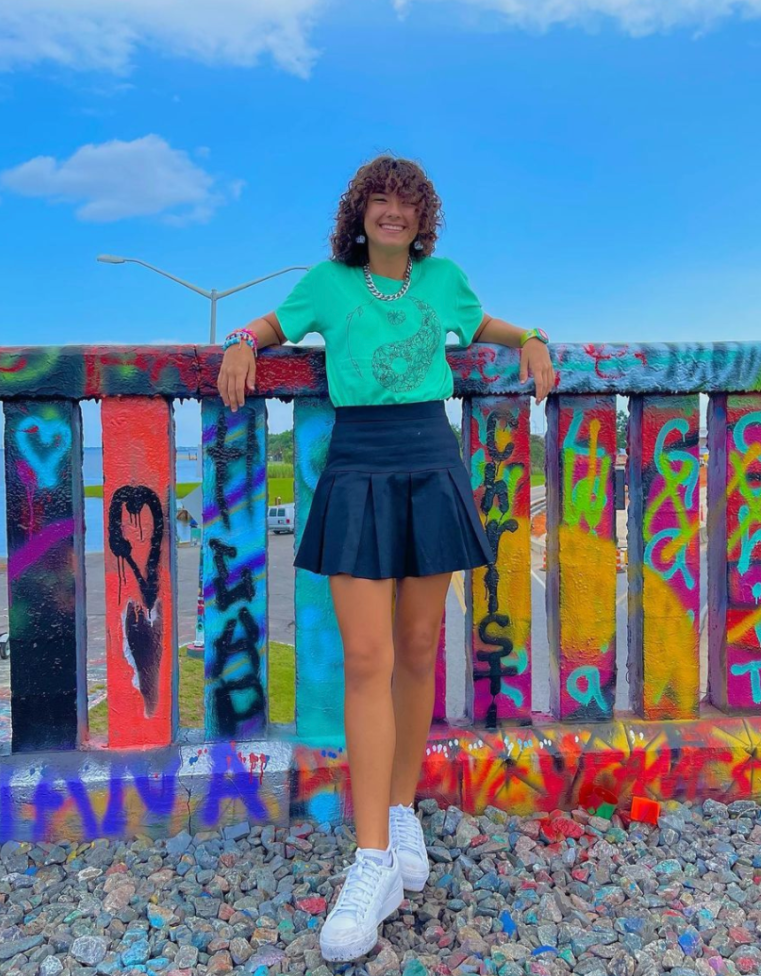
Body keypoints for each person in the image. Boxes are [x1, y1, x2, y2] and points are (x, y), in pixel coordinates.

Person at [217, 154, 556, 963]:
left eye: (406, 202)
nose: (392, 213)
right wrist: (240, 341)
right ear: (360, 213)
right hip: (359, 461)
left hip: (429, 458)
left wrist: (535, 340)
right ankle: (371, 864)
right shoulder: (329, 285)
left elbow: (485, 328)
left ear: (421, 217)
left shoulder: (444, 279)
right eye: (380, 200)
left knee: (413, 652)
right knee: (366, 659)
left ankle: (401, 812)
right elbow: (271, 325)